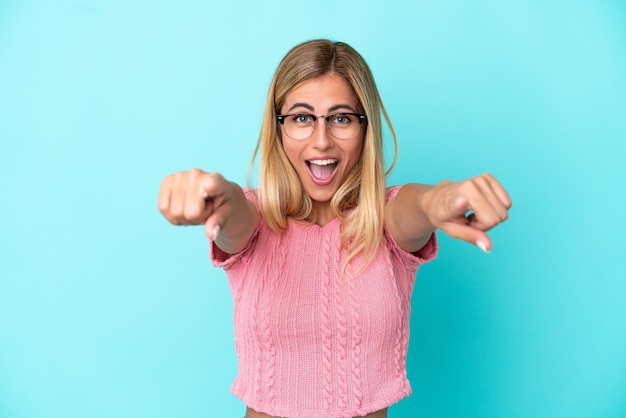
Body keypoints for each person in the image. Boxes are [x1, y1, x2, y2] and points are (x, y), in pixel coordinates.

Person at [158, 39, 511, 418]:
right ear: (278, 128)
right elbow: (234, 210)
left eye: (341, 118)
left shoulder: (386, 219)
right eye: (301, 118)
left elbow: (418, 206)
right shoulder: (253, 219)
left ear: (365, 129)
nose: (322, 139)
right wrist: (217, 196)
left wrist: (441, 199)